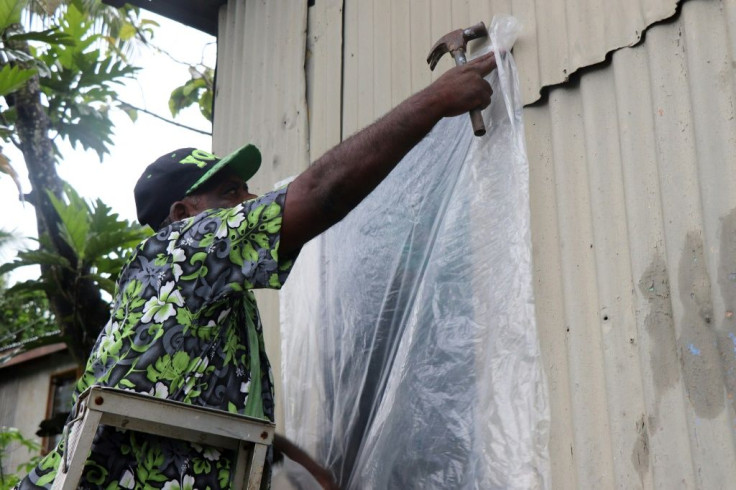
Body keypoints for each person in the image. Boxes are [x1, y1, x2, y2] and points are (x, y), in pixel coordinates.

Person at [17, 51, 496, 489]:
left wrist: (294, 459)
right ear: (182, 213)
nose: (248, 201)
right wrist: (436, 100)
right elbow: (323, 190)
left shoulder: (188, 290)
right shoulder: (183, 246)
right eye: (229, 192)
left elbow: (188, 410)